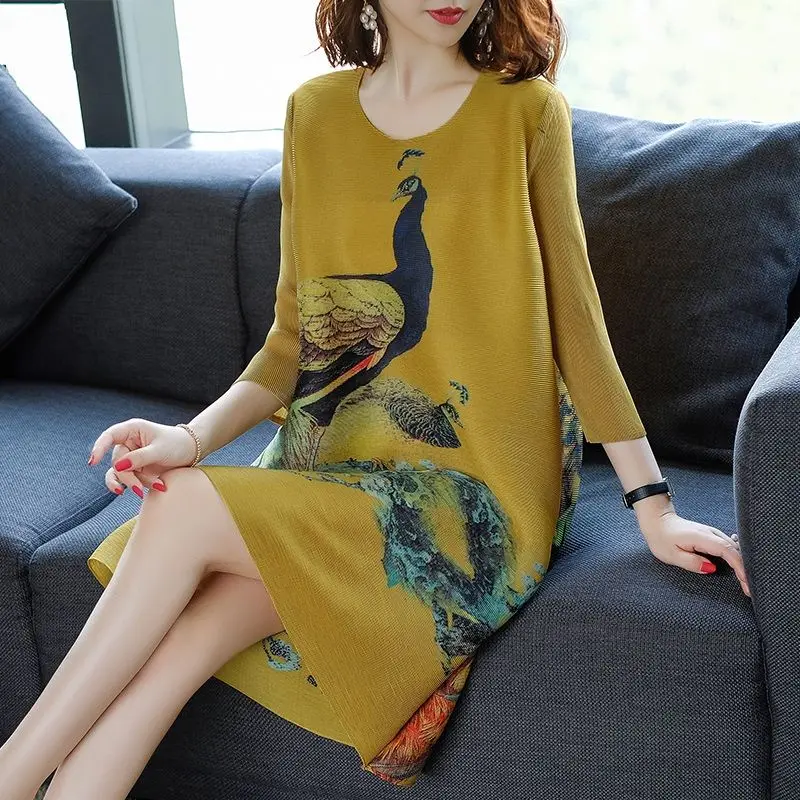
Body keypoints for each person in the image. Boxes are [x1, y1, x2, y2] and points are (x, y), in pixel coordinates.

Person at [1, 1, 751, 796]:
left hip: (475, 490)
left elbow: (578, 324)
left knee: (180, 505)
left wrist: (653, 506)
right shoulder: (315, 114)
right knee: (176, 654)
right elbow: (293, 343)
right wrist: (188, 438)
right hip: (331, 472)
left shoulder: (525, 112)